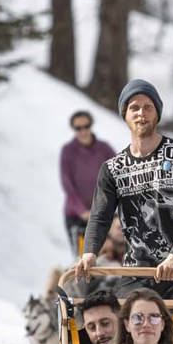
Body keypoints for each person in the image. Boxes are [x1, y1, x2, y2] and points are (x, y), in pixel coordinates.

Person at [73, 79, 173, 339]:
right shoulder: (113, 169)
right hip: (137, 272)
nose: (141, 113)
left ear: (157, 112)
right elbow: (100, 216)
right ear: (124, 114)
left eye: (148, 107)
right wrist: (89, 252)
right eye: (134, 107)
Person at [60, 110, 115, 258]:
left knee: (108, 257)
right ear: (74, 129)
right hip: (77, 218)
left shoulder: (104, 149)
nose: (83, 131)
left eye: (86, 126)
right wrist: (82, 211)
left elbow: (117, 176)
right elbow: (68, 186)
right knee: (83, 260)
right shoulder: (68, 152)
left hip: (103, 216)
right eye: (78, 128)